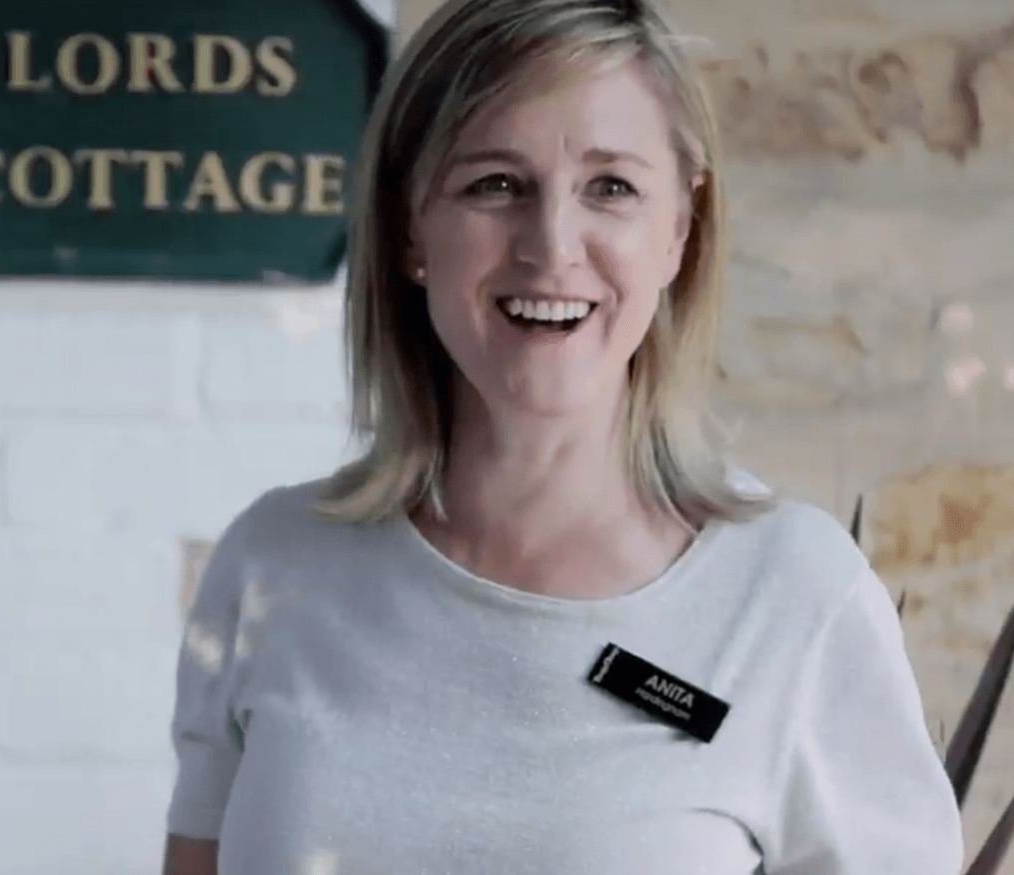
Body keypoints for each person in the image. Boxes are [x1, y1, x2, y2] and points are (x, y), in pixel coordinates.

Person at [161, 0, 964, 871]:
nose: (550, 247)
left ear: (678, 232)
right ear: (408, 228)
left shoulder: (795, 594)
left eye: (609, 187)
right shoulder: (270, 564)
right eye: (494, 184)